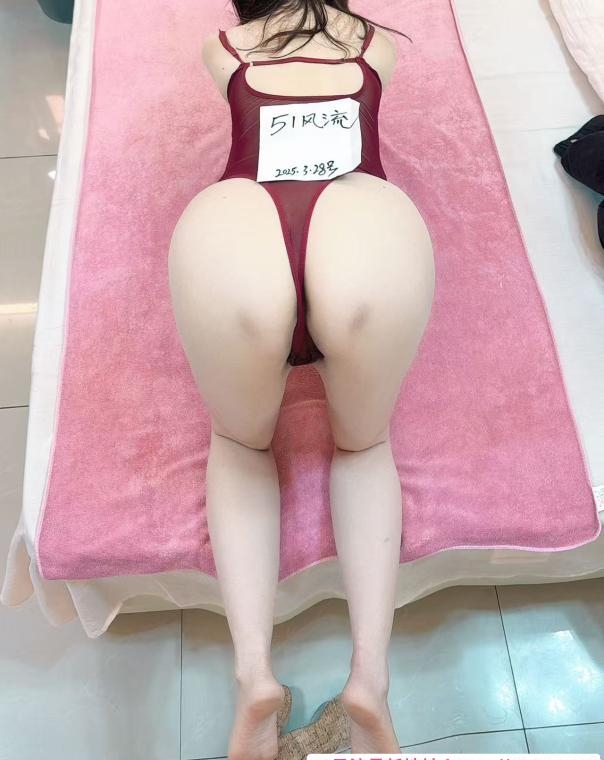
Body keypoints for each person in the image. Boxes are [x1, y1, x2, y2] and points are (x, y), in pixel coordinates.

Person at [168, 1, 435, 757]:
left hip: (239, 231)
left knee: (240, 445)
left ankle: (254, 674)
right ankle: (370, 679)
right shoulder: (376, 46)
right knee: (363, 446)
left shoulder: (224, 48)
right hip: (366, 236)